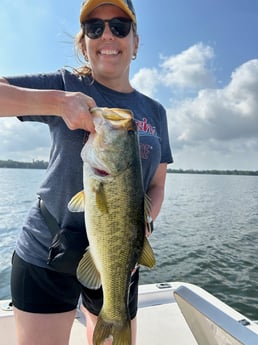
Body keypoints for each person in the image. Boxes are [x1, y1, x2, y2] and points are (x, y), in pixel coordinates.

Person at [0, 0, 173, 344]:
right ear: (84, 42)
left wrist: (139, 232)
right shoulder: (63, 83)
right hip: (46, 251)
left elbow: (156, 184)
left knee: (113, 331)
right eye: (95, 27)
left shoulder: (155, 111)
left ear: (136, 42)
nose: (107, 34)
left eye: (120, 26)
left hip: (117, 257)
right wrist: (58, 102)